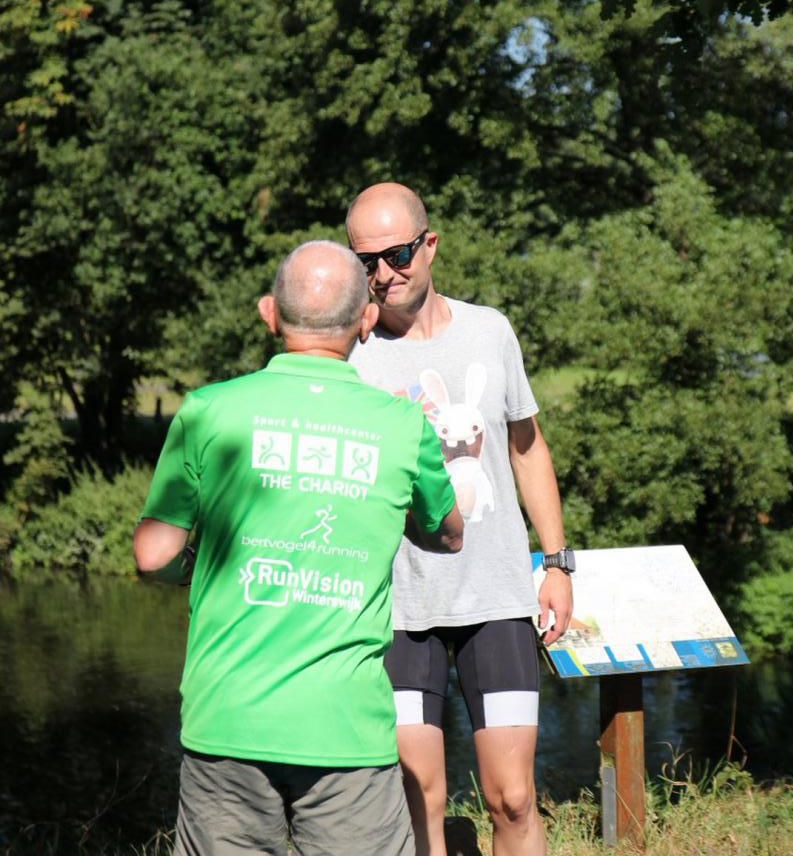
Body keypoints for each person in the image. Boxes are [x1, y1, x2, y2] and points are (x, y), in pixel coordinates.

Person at [133, 240, 463, 856]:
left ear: (269, 314)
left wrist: (197, 565)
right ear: (366, 321)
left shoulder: (208, 411)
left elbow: (153, 554)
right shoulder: (401, 425)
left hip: (227, 721)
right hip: (346, 733)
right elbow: (448, 531)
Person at [346, 184, 573, 856]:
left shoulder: (489, 331)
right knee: (419, 804)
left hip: (495, 600)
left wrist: (556, 564)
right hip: (395, 610)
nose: (384, 273)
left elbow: (527, 450)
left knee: (513, 797)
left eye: (397, 253)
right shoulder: (348, 354)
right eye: (367, 261)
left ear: (430, 244)